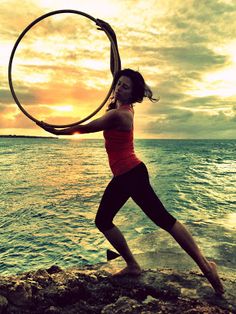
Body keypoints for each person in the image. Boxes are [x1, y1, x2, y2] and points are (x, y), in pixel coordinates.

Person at [37, 22, 224, 296]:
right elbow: (116, 70)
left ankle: (207, 268)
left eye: (124, 86)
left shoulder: (120, 114)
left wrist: (52, 129)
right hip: (125, 176)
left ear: (131, 93)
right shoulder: (121, 103)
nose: (118, 87)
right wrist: (111, 36)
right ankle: (133, 265)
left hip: (132, 176)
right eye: (119, 84)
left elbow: (82, 128)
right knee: (104, 220)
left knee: (165, 221)